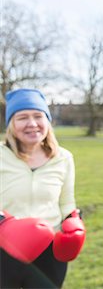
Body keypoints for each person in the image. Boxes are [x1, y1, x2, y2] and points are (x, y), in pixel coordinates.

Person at [0, 88, 85, 288]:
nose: (32, 123)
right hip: (4, 250)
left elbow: (67, 202)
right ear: (11, 123)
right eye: (22, 117)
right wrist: (3, 223)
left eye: (38, 116)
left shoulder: (64, 158)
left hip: (49, 252)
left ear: (47, 121)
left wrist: (73, 220)